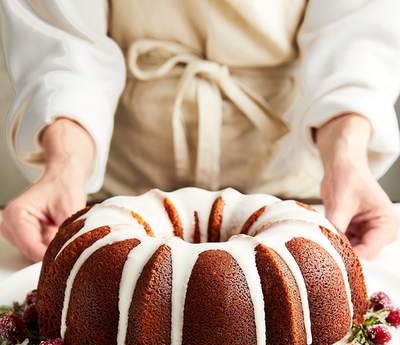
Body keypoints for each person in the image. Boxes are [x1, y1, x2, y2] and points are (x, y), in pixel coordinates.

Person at [1, 0, 399, 263]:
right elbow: (66, 40)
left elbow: (356, 31)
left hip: (290, 187)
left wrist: (346, 156)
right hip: (121, 191)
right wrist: (65, 165)